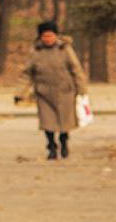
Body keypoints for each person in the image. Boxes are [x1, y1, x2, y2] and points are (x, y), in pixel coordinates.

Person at [17, 20, 88, 160]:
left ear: (56, 36)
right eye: (45, 36)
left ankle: (64, 141)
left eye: (51, 36)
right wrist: (20, 92)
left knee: (65, 122)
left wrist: (81, 89)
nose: (48, 39)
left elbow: (76, 69)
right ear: (40, 37)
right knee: (47, 123)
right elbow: (27, 74)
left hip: (65, 92)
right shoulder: (36, 52)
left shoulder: (65, 49)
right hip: (44, 93)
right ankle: (51, 146)